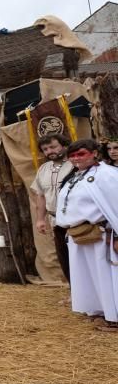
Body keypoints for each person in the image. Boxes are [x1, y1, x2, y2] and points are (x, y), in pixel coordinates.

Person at [55, 139, 118, 332]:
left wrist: (116, 235)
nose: (76, 158)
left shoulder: (107, 175)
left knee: (107, 275)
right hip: (79, 234)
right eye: (72, 155)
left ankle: (114, 317)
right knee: (90, 275)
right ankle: (99, 311)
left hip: (101, 235)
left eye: (81, 154)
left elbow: (115, 205)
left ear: (94, 153)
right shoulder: (76, 176)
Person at [31, 134, 75, 282]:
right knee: (64, 257)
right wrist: (40, 219)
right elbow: (41, 196)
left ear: (64, 145)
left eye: (53, 147)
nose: (50, 151)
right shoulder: (43, 169)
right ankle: (73, 293)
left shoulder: (75, 165)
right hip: (56, 220)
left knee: (80, 257)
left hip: (76, 220)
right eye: (45, 149)